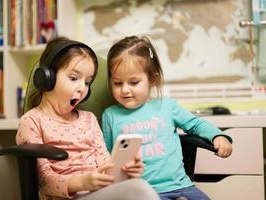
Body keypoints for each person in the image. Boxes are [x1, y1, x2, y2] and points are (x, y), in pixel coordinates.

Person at [16, 37, 161, 200]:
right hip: (66, 196)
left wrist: (124, 171)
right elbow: (44, 182)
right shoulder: (32, 121)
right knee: (138, 189)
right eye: (73, 78)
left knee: (137, 186)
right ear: (47, 78)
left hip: (97, 193)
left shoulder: (89, 119)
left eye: (87, 82)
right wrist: (82, 182)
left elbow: (105, 164)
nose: (82, 89)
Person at [102, 35, 233, 200]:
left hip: (180, 186)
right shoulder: (110, 115)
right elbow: (105, 157)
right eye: (117, 83)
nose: (125, 90)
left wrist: (217, 135)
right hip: (141, 193)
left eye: (134, 82)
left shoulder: (168, 106)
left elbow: (195, 124)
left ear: (152, 79)